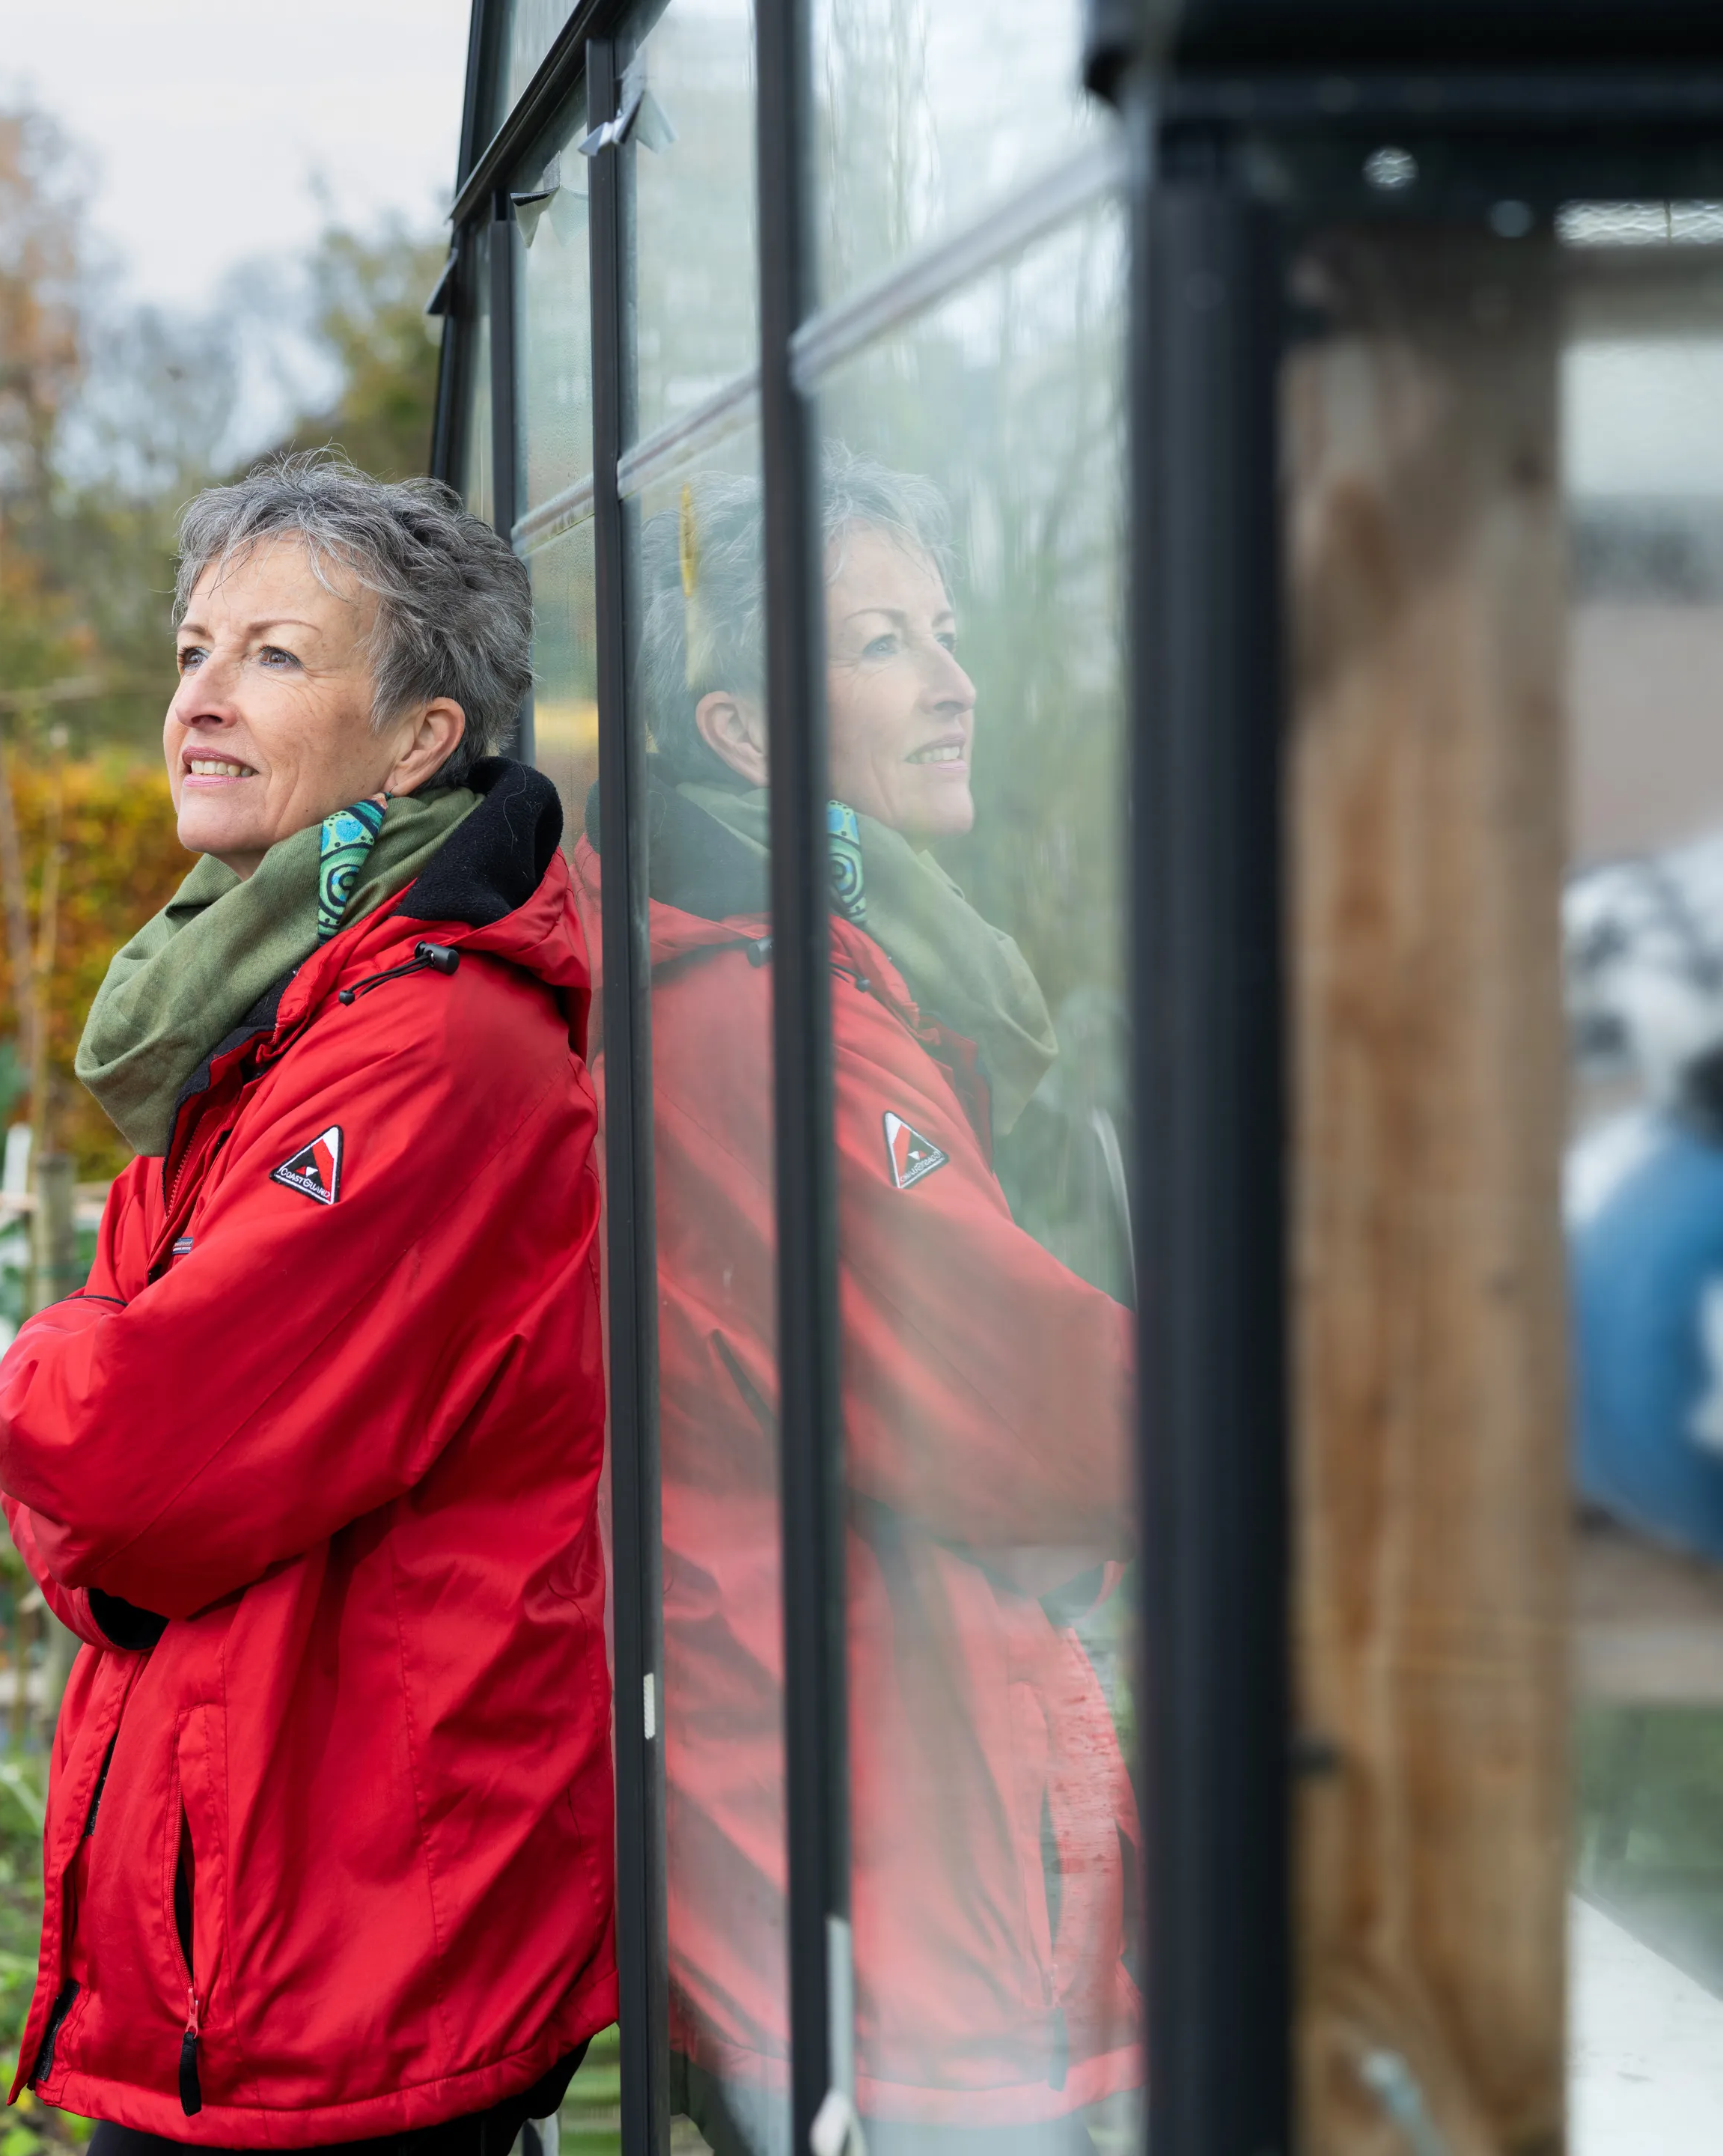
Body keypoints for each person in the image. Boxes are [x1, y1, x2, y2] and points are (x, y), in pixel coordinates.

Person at [0, 451, 615, 2155]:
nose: (201, 697)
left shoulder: (429, 1042)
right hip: (274, 1907)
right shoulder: (270, 1010)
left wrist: (41, 1372)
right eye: (192, 649)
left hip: (359, 1939)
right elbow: (141, 1454)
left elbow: (121, 1464)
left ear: (420, 742)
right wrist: (107, 1412)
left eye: (274, 656)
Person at [627, 460, 1139, 2156]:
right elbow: (1033, 1409)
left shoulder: (835, 972)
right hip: (884, 1828)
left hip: (865, 1798)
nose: (954, 679)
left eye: (945, 630)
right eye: (880, 642)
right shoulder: (782, 1024)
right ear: (752, 735)